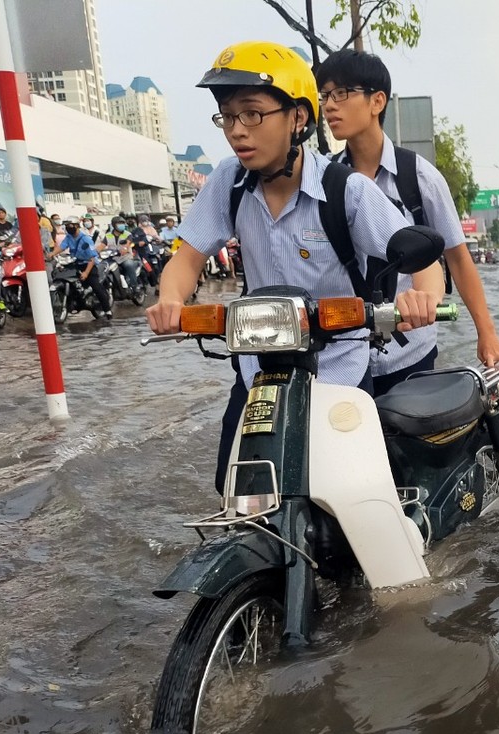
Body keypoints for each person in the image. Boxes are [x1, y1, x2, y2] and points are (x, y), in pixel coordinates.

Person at [145, 40, 442, 493]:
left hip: (339, 367)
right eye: (227, 116)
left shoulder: (347, 191)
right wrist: (170, 300)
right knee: (237, 494)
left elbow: (420, 257)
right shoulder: (230, 181)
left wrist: (422, 297)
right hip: (260, 372)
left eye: (252, 113)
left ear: (298, 117)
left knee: (359, 497)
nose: (236, 131)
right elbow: (185, 259)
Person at [316, 48, 499, 395]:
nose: (330, 106)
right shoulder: (326, 181)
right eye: (324, 96)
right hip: (342, 358)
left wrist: (487, 334)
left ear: (377, 101)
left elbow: (457, 258)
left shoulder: (418, 178)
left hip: (410, 353)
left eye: (341, 93)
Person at [51, 215, 112, 316]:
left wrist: (86, 273)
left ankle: (107, 310)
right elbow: (62, 247)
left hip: (88, 265)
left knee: (96, 287)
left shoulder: (86, 239)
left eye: (70, 225)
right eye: (66, 226)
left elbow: (92, 258)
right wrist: (52, 254)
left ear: (76, 226)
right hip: (74, 263)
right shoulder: (69, 237)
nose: (68, 227)